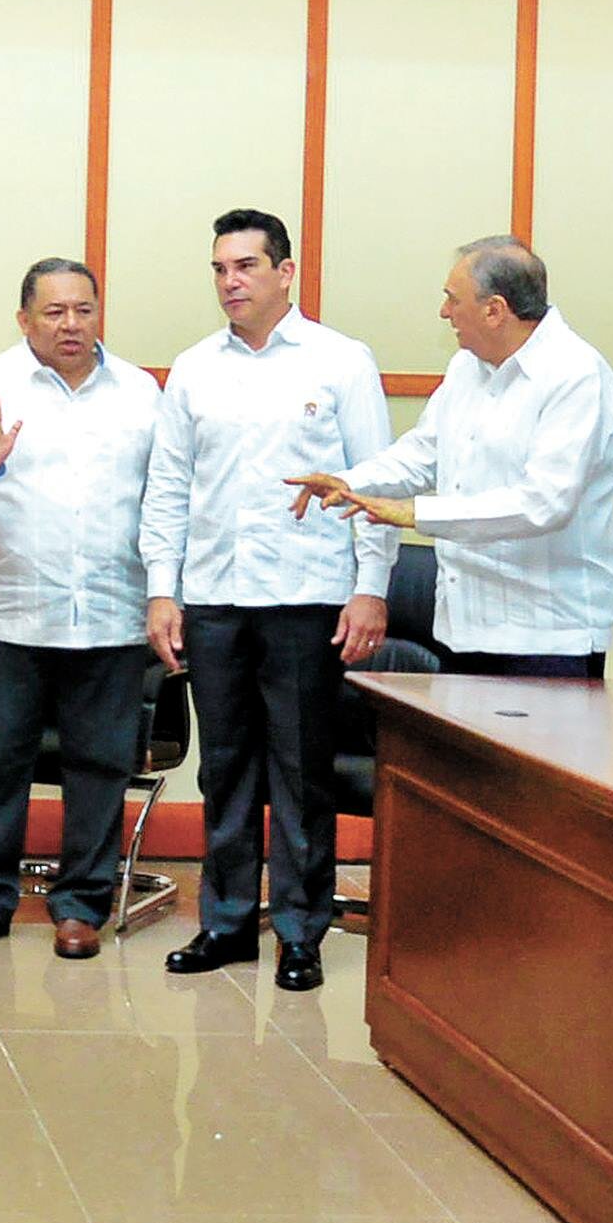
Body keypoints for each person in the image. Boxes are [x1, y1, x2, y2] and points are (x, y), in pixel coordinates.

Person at [140, 208, 395, 992]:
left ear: (286, 272)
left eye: (246, 265)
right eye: (220, 268)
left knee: (300, 771)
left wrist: (370, 588)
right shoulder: (194, 368)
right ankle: (225, 922)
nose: (231, 281)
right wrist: (162, 589)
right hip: (215, 597)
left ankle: (299, 931)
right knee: (224, 770)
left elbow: (372, 483)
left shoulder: (340, 361)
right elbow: (168, 486)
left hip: (305, 597)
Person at [0, 258, 160, 961]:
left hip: (111, 614)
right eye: (54, 312)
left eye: (84, 309)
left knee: (99, 767)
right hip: (13, 616)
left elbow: (168, 498)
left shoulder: (141, 393)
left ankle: (81, 905)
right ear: (24, 319)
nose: (71, 324)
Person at [291, 235, 613, 679]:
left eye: (452, 299)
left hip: (546, 635)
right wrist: (351, 482)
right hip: (463, 628)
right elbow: (423, 453)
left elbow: (544, 502)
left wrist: (415, 514)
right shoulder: (466, 366)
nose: (444, 312)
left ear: (495, 310)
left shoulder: (576, 375)